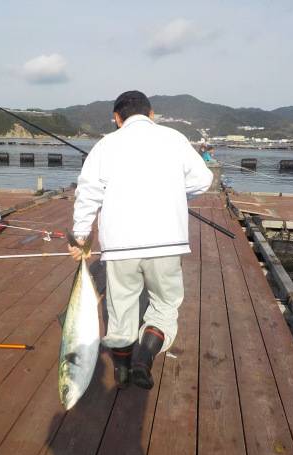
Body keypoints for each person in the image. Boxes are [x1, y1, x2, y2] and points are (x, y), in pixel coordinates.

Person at [69, 91, 213, 390]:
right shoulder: (173, 138)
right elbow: (203, 179)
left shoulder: (105, 145)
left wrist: (81, 236)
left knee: (121, 307)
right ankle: (143, 361)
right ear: (151, 114)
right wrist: (173, 190)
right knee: (163, 305)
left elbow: (88, 194)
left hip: (119, 246)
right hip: (167, 243)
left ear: (117, 119)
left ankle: (121, 370)